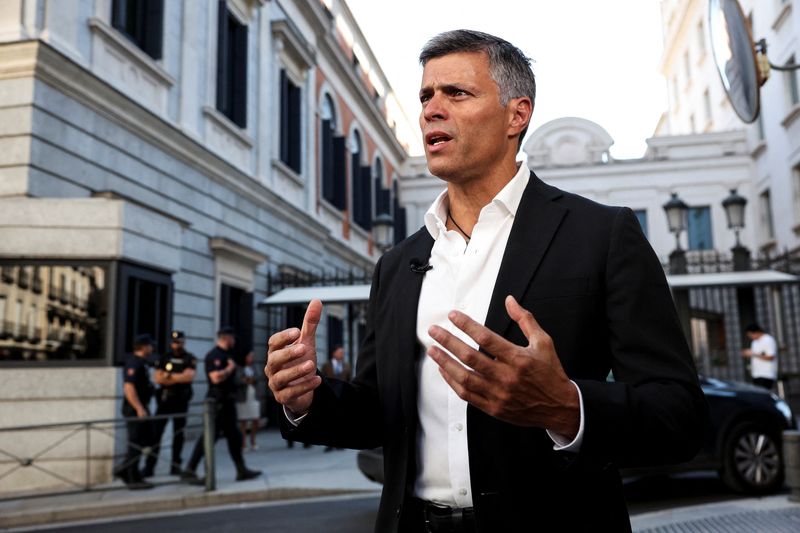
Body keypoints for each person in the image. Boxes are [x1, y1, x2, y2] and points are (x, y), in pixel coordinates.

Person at [266, 30, 708, 532]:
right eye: (426, 96)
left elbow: (680, 417)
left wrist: (568, 408)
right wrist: (307, 399)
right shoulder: (396, 263)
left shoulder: (602, 235)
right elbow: (379, 412)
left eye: (456, 93)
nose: (432, 109)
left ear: (516, 115)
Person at [183, 326, 261, 482]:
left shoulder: (227, 354)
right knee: (209, 437)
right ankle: (190, 470)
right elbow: (215, 378)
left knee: (235, 437)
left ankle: (241, 469)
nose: (234, 341)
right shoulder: (215, 355)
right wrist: (229, 369)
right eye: (232, 338)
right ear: (226, 338)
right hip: (217, 403)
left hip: (227, 402)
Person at [143, 330, 197, 477]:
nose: (176, 345)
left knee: (178, 435)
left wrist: (169, 377)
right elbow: (158, 379)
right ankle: (149, 467)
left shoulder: (189, 358)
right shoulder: (164, 357)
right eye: (174, 342)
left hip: (181, 400)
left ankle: (175, 466)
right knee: (156, 434)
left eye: (178, 342)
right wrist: (178, 376)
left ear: (183, 342)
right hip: (165, 400)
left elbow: (189, 377)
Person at [115, 334, 156, 490]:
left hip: (143, 407)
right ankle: (132, 476)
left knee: (148, 439)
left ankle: (126, 470)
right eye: (150, 346)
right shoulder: (133, 362)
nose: (152, 348)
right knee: (136, 443)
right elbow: (129, 387)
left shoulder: (142, 363)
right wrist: (139, 408)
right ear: (144, 347)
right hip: (135, 409)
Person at [236, 350, 261, 451]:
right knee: (243, 421)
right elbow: (237, 379)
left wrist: (247, 379)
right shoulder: (239, 367)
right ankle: (243, 443)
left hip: (254, 396)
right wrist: (247, 380)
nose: (251, 358)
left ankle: (253, 440)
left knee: (256, 419)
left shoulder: (255, 366)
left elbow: (258, 376)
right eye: (249, 356)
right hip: (243, 397)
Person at [742, 323, 778, 390]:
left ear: (756, 332)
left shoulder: (768, 340)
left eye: (750, 335)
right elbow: (757, 354)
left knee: (763, 396)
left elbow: (770, 357)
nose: (750, 337)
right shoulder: (754, 342)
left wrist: (753, 354)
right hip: (756, 374)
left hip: (766, 374)